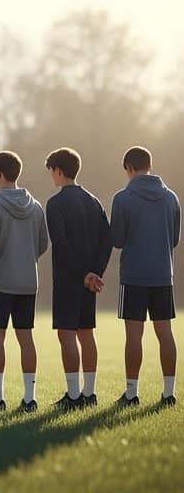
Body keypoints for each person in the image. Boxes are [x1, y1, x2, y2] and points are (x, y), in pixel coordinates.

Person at [0, 151, 49, 413]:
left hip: (0, 282)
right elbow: (42, 244)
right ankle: (29, 399)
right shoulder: (36, 207)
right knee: (26, 340)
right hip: (28, 282)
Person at [110, 146, 180, 407]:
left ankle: (131, 394)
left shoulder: (123, 198)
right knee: (165, 334)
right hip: (163, 274)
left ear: (129, 168)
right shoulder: (171, 197)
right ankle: (169, 393)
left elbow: (116, 239)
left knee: (133, 336)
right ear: (150, 165)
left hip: (134, 276)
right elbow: (174, 239)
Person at [45, 147, 113, 409]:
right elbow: (107, 241)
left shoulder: (55, 203)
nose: (51, 176)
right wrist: (96, 273)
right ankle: (90, 393)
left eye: (51, 171)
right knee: (87, 334)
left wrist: (84, 274)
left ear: (58, 171)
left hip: (68, 280)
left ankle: (73, 396)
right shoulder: (94, 201)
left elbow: (60, 245)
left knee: (66, 335)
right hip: (89, 281)